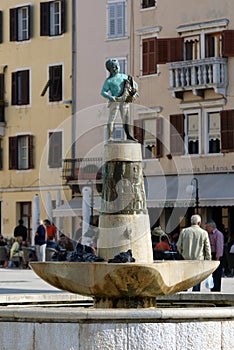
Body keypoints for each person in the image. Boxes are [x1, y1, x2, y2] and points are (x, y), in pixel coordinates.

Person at [101, 58, 138, 141]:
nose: (116, 68)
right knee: (112, 119)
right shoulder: (109, 81)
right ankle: (110, 137)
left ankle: (128, 135)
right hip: (115, 101)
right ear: (110, 69)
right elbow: (103, 92)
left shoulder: (125, 77)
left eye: (117, 66)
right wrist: (110, 97)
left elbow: (134, 85)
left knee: (126, 118)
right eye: (114, 67)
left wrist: (134, 93)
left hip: (124, 100)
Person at [176, 214, 211, 292]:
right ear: (199, 223)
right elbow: (207, 248)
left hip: (186, 260)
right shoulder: (204, 233)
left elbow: (178, 245)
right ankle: (195, 295)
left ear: (191, 222)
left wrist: (183, 253)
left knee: (185, 279)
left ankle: (184, 296)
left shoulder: (184, 231)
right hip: (198, 260)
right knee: (196, 280)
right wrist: (208, 260)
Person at [205, 220, 224, 292]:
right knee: (212, 274)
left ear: (211, 227)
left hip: (216, 255)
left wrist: (217, 257)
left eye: (207, 227)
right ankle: (212, 288)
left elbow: (219, 246)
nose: (206, 228)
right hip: (211, 254)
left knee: (217, 273)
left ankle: (217, 288)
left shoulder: (218, 234)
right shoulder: (208, 234)